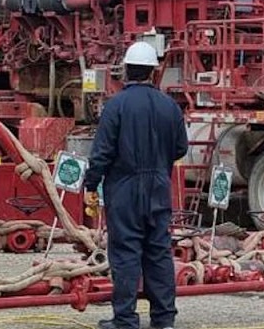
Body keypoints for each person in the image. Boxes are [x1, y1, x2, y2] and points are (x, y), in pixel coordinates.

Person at [84, 41, 188, 329]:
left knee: (126, 252)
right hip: (157, 186)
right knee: (158, 252)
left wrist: (91, 184)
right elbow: (181, 147)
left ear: (127, 71)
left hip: (124, 189)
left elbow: (102, 152)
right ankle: (164, 319)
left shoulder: (116, 106)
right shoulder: (170, 107)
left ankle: (126, 319)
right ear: (154, 73)